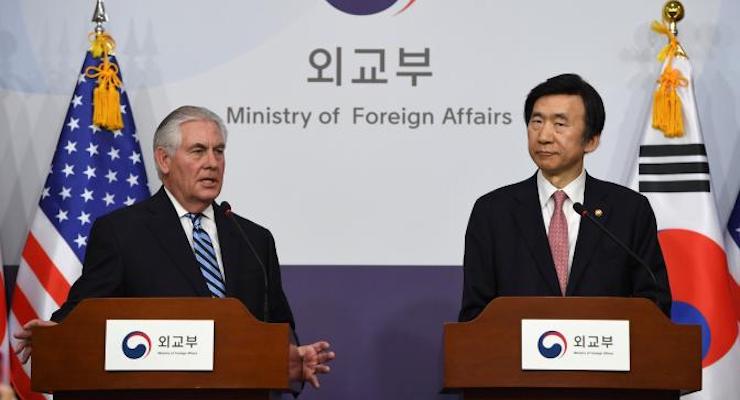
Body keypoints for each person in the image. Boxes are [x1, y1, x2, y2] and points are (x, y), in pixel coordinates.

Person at [15, 105, 334, 389]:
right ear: (164, 160)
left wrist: (291, 357)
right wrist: (57, 331)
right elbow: (87, 308)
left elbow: (277, 324)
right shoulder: (122, 232)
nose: (212, 162)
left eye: (219, 151)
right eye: (198, 151)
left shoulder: (253, 238)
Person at [458, 74, 671, 322]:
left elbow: (653, 306)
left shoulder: (629, 210)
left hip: (604, 357)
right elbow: (475, 314)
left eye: (560, 124)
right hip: (514, 358)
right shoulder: (493, 212)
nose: (544, 136)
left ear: (591, 140)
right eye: (537, 122)